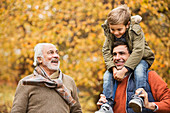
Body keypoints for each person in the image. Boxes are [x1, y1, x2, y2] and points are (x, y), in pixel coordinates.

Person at [98, 4, 155, 112]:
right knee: (107, 75)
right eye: (112, 29)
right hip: (124, 60)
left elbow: (138, 51)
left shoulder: (135, 30)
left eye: (119, 29)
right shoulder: (111, 33)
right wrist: (113, 69)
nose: (116, 33)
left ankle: (139, 96)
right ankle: (107, 104)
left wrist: (124, 70)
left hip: (142, 57)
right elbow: (105, 51)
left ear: (127, 24)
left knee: (138, 70)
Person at [96, 41, 170, 113]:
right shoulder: (110, 81)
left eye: (122, 53)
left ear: (132, 57)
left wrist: (149, 105)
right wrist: (104, 107)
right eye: (114, 54)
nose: (117, 58)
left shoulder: (150, 76)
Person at [11, 43, 82, 113]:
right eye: (50, 53)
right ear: (39, 59)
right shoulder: (26, 83)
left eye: (57, 53)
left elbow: (77, 110)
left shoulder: (69, 81)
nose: (56, 56)